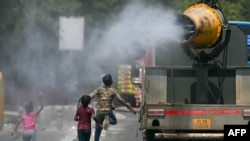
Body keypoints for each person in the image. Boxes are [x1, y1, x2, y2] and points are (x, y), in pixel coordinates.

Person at [80, 74, 137, 141]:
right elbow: (121, 100)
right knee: (114, 121)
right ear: (111, 81)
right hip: (108, 111)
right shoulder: (113, 91)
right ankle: (108, 121)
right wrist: (130, 108)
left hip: (99, 112)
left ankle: (103, 125)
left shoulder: (99, 89)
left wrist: (83, 102)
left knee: (97, 132)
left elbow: (90, 96)